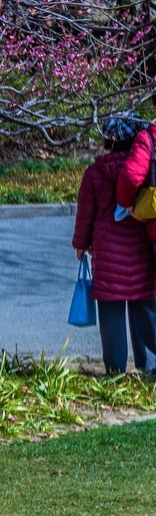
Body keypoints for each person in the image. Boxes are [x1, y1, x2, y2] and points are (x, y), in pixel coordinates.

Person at [74, 113, 156, 374]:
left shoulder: (94, 173)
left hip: (108, 254)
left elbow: (85, 213)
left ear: (108, 142)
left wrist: (81, 243)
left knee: (111, 315)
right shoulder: (143, 170)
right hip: (140, 250)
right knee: (144, 309)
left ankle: (115, 370)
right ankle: (149, 365)